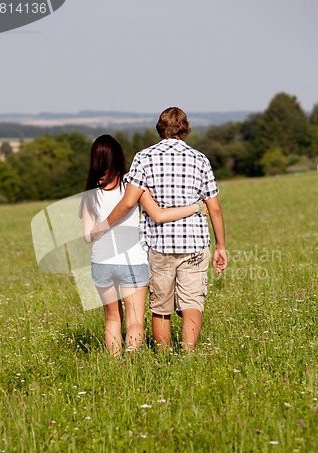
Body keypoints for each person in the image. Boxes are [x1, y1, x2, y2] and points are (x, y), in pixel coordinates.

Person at [91, 109, 228, 351]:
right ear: (185, 128)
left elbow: (128, 201)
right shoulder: (200, 159)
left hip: (159, 245)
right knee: (192, 303)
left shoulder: (143, 158)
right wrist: (221, 246)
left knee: (160, 307)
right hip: (195, 243)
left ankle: (163, 355)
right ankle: (187, 357)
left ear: (159, 128)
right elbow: (214, 208)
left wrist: (104, 225)